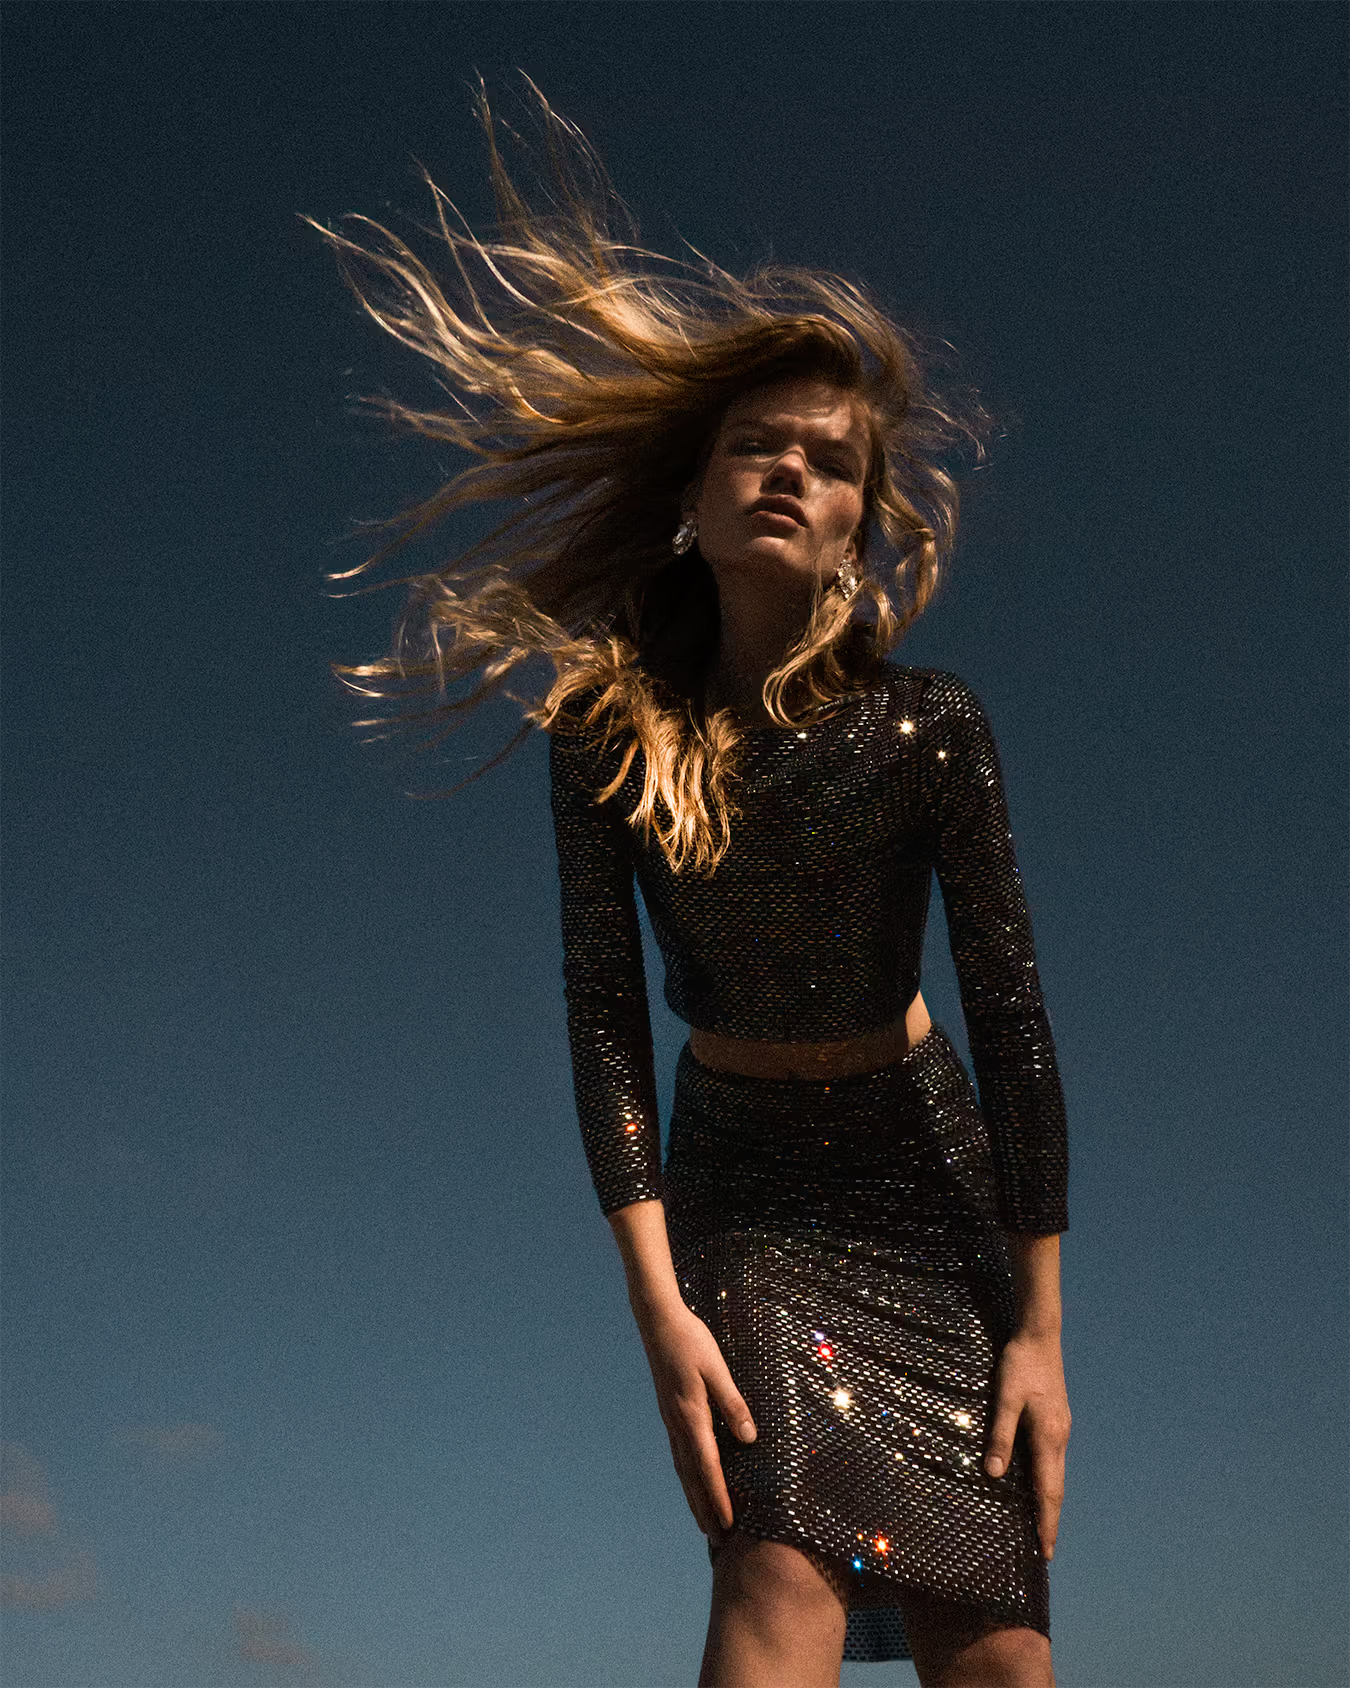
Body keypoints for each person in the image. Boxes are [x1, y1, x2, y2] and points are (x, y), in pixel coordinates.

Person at [316, 85, 1070, 1688]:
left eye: (829, 460)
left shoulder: (930, 727)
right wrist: (660, 1313)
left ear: (860, 523)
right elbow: (602, 1019)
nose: (789, 471)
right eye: (755, 446)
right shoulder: (606, 737)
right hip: (748, 1188)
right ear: (693, 494)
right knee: (778, 1569)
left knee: (996, 1650)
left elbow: (1008, 1018)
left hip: (922, 1173)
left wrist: (1039, 1331)